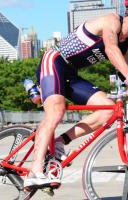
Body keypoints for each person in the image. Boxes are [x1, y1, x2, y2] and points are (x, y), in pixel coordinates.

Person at [24, 13, 128, 189]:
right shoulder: (112, 21)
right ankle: (34, 172)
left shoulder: (126, 44)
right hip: (54, 60)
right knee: (56, 111)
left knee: (109, 110)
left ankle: (59, 142)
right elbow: (111, 50)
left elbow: (123, 69)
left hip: (71, 73)